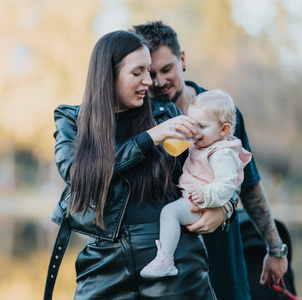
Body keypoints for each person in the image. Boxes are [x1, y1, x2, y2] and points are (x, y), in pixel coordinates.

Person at [44, 30, 216, 299]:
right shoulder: (72, 118)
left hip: (171, 255)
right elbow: (75, 173)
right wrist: (149, 138)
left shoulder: (164, 111)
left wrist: (224, 209)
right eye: (138, 72)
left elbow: (204, 167)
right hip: (104, 259)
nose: (149, 81)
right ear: (108, 75)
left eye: (148, 70)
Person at [133, 21, 288, 299]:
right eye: (149, 72)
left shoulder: (221, 112)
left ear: (182, 60)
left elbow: (248, 184)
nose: (158, 81)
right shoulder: (141, 121)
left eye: (166, 69)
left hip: (222, 257)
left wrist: (274, 248)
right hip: (171, 268)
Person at [141, 89, 252, 278]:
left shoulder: (221, 153)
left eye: (201, 126)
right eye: (192, 124)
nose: (194, 132)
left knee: (170, 213)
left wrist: (206, 195)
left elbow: (227, 185)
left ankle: (165, 260)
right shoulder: (206, 142)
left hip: (203, 202)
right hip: (196, 197)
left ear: (224, 130)